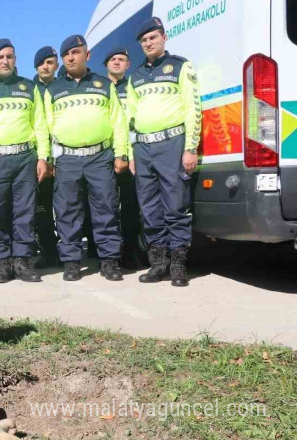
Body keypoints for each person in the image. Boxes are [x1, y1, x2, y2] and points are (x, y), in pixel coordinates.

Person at [44, 35, 129, 281]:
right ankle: (71, 262)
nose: (71, 58)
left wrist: (121, 152)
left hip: (100, 157)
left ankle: (109, 261)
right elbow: (46, 127)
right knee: (67, 212)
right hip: (67, 159)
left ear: (87, 55)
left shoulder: (105, 85)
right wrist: (49, 160)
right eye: (66, 55)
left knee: (106, 209)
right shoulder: (54, 90)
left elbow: (119, 123)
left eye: (76, 52)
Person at [0, 39, 50, 283]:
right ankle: (1, 262)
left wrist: (43, 156)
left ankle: (22, 261)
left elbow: (40, 125)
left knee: (25, 212)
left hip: (25, 157)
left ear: (16, 60)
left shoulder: (28, 87)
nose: (5, 61)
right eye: (0, 57)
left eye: (10, 56)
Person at [128, 17, 201, 287]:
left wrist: (190, 148)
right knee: (149, 209)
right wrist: (131, 152)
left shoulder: (180, 66)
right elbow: (130, 118)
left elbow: (193, 108)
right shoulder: (135, 76)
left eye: (153, 38)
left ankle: (179, 266)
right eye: (144, 40)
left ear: (164, 38)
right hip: (143, 148)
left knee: (175, 207)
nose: (148, 43)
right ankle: (158, 265)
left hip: (172, 144)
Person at [103, 46, 143, 270]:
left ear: (128, 65)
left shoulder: (134, 87)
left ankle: (129, 251)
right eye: (113, 59)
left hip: (132, 156)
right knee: (106, 207)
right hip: (105, 155)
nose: (117, 62)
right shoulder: (98, 87)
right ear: (106, 64)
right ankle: (107, 253)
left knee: (130, 207)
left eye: (122, 60)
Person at [32, 46, 61, 269]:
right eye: (42, 62)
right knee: (42, 208)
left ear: (56, 66)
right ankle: (48, 250)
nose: (45, 66)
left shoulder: (64, 88)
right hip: (39, 158)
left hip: (63, 157)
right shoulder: (28, 89)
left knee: (66, 207)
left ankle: (70, 249)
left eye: (50, 62)